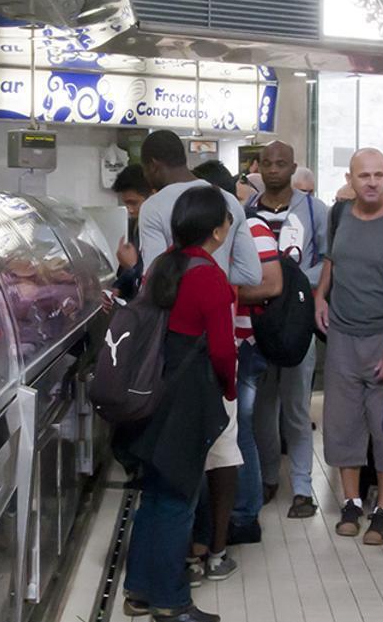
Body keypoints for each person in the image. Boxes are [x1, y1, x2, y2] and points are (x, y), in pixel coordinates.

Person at [120, 185, 238, 622]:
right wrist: (228, 390)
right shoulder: (208, 276)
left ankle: (138, 590)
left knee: (154, 493)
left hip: (151, 391)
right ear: (217, 230)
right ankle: (171, 600)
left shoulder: (163, 265)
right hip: (188, 397)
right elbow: (223, 350)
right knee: (178, 498)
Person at [314, 148, 383, 546]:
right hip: (342, 336)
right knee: (342, 424)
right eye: (364, 176)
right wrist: (320, 296)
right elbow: (332, 259)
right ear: (350, 179)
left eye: (378, 175)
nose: (372, 182)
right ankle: (351, 503)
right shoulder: (340, 215)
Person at [187, 160, 281, 568]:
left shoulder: (251, 227)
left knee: (238, 430)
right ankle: (227, 519)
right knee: (229, 433)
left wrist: (222, 292)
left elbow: (272, 283)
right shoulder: (209, 239)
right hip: (222, 343)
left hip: (243, 343)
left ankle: (244, 513)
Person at [245, 141, 328, 519]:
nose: (274, 169)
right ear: (258, 167)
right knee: (262, 407)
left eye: (281, 163)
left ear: (293, 167)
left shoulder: (314, 210)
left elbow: (328, 260)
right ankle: (267, 478)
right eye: (267, 163)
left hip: (296, 319)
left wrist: (292, 280)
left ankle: (303, 488)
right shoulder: (247, 212)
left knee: (296, 407)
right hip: (258, 321)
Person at [139, 130, 262, 288]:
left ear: (153, 165)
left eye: (144, 169)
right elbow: (251, 274)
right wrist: (217, 272)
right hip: (219, 301)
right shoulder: (228, 199)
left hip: (179, 303)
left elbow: (155, 277)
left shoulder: (153, 207)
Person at [112, 165, 152, 301]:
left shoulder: (161, 231)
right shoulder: (133, 225)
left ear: (153, 196)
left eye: (134, 203)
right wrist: (117, 287)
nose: (129, 210)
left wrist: (133, 267)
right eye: (126, 204)